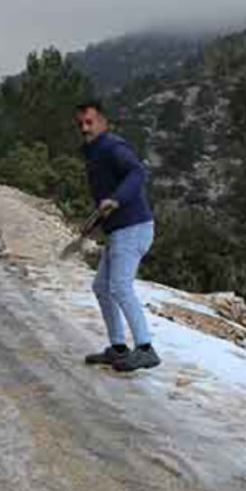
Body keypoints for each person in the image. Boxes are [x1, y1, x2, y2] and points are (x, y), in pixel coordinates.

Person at [75, 100, 160, 371]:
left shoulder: (113, 147)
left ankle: (146, 348)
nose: (85, 128)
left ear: (103, 122)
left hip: (133, 228)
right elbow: (105, 197)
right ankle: (118, 347)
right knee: (102, 287)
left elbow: (137, 172)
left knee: (120, 286)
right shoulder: (93, 151)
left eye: (90, 122)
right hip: (118, 230)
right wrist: (94, 221)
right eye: (81, 124)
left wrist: (116, 199)